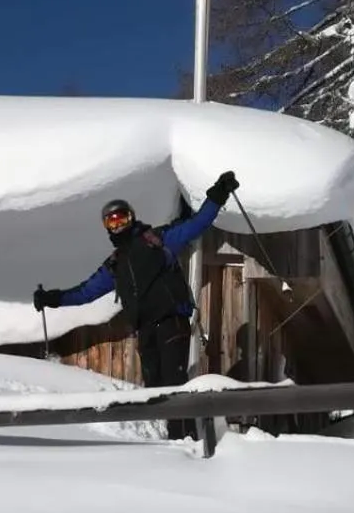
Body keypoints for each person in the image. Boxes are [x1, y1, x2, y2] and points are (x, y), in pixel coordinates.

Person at [33, 171, 239, 440]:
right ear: (107, 227)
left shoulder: (157, 240)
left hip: (171, 322)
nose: (118, 225)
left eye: (122, 218)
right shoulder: (115, 264)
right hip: (146, 329)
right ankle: (169, 444)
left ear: (131, 217)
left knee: (173, 385)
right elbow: (86, 292)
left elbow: (196, 224)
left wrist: (218, 193)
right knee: (154, 390)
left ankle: (185, 443)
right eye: (112, 221)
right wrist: (53, 298)